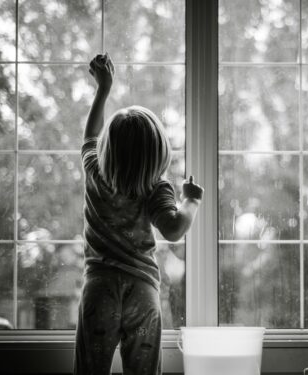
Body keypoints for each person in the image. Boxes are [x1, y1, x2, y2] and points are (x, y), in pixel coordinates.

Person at [73, 53, 204, 375]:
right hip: (141, 291)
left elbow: (90, 136)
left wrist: (103, 89)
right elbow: (173, 230)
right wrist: (191, 201)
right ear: (159, 151)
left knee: (91, 368)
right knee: (143, 369)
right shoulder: (156, 187)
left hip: (100, 288)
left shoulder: (94, 171)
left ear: (108, 149)